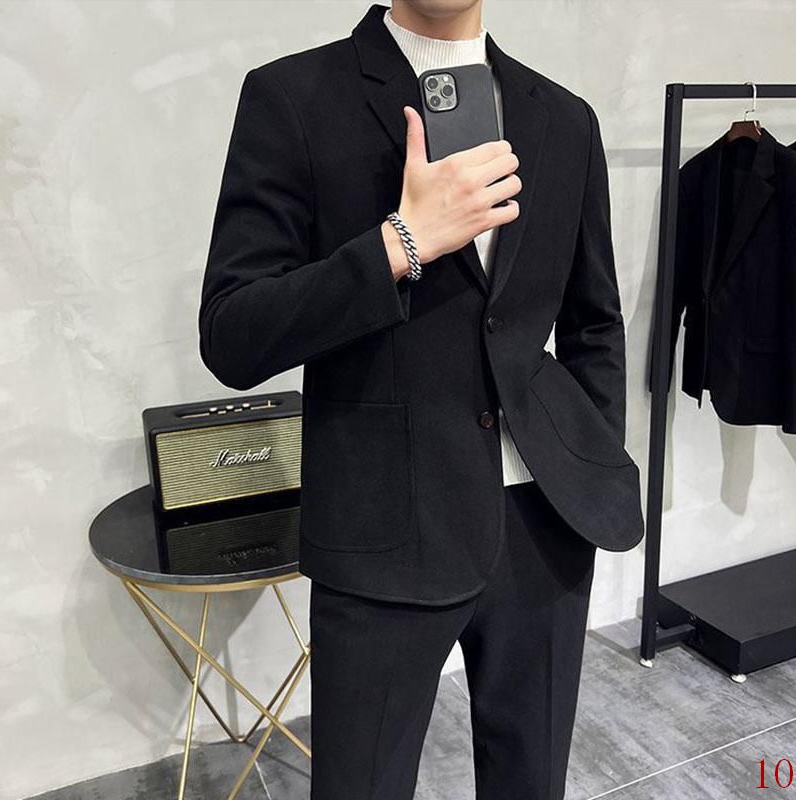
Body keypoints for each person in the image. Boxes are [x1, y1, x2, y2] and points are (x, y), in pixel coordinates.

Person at [198, 2, 644, 798]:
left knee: (532, 781)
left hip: (544, 526)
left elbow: (594, 322)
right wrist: (399, 244)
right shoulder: (293, 97)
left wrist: (592, 463)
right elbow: (232, 335)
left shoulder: (564, 118)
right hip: (382, 530)